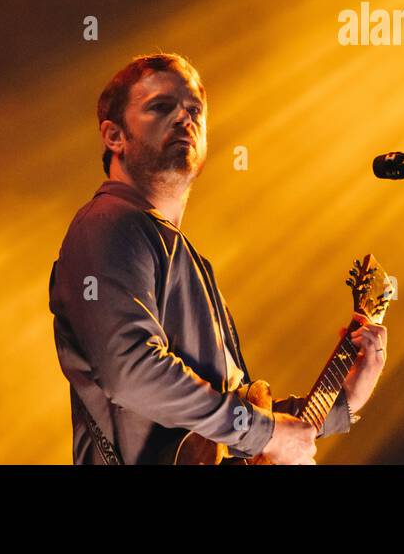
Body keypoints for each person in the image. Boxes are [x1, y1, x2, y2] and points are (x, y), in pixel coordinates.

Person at [49, 52, 387, 464]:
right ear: (114, 136)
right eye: (160, 107)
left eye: (194, 109)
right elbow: (130, 369)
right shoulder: (108, 224)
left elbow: (228, 428)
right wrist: (264, 431)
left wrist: (346, 400)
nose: (184, 118)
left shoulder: (187, 257)